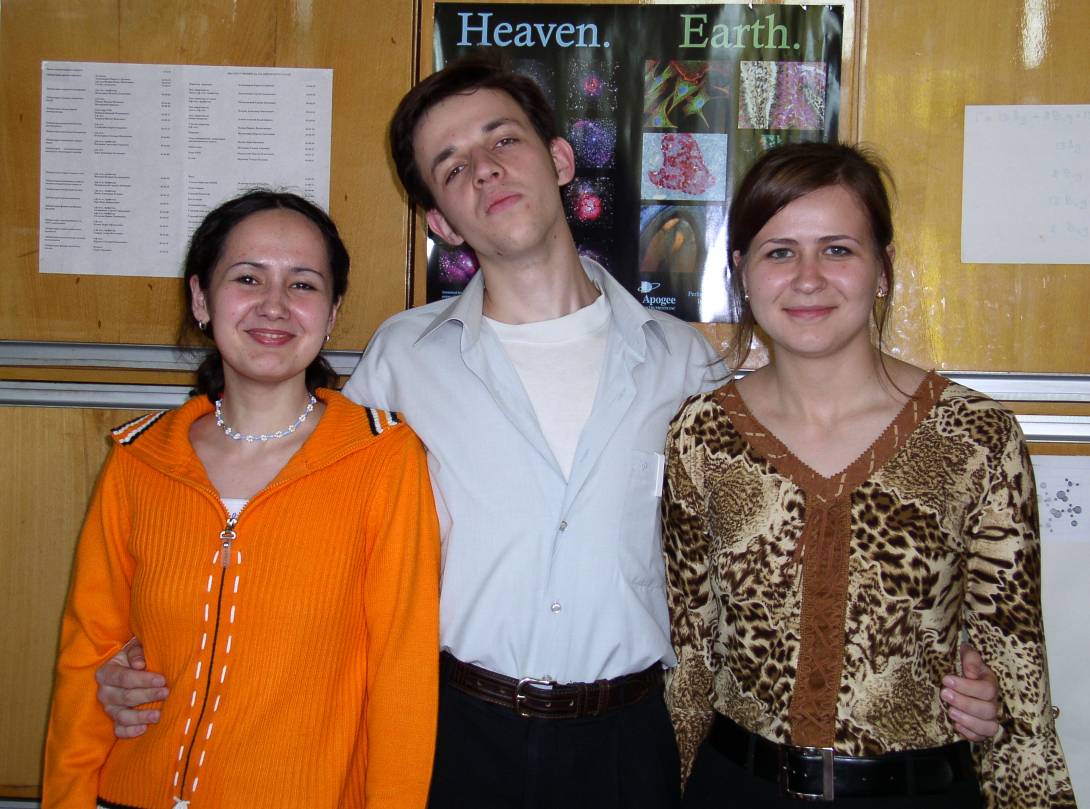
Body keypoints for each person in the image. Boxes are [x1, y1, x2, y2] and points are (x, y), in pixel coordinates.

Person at [90, 58, 1002, 807]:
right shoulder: (402, 360)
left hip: (633, 742)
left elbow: (774, 554)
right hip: (453, 732)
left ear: (561, 159)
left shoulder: (686, 365)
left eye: (503, 140)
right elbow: (293, 519)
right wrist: (164, 652)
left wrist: (947, 666)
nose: (484, 169)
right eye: (451, 166)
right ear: (440, 220)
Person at [662, 142, 1075, 807]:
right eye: (779, 252)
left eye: (837, 250)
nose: (807, 279)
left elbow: (1018, 672)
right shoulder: (701, 435)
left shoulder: (976, 437)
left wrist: (997, 704)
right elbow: (690, 664)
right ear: (742, 272)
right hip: (738, 786)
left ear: (882, 269)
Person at [42, 191, 440, 808]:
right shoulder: (139, 460)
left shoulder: (382, 459)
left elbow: (403, 679)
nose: (274, 305)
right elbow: (86, 661)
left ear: (332, 312)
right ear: (202, 298)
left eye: (303, 284)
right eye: (247, 278)